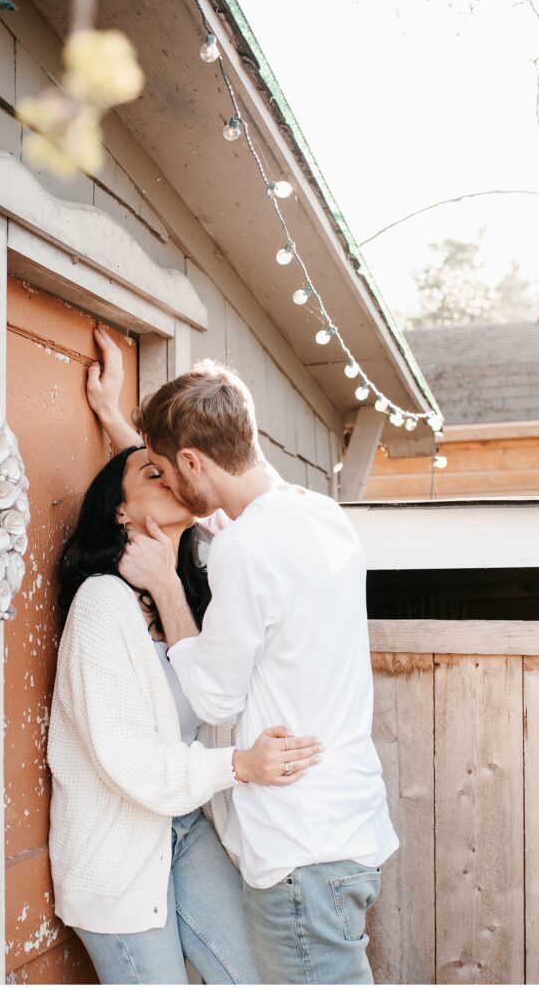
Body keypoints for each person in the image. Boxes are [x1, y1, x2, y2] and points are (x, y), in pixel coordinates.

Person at [89, 328, 400, 985]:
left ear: (194, 464)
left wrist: (169, 590)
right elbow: (217, 511)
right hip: (349, 831)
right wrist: (121, 422)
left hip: (297, 846)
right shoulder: (317, 516)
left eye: (166, 468)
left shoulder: (243, 552)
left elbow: (214, 699)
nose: (166, 482)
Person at [47, 366, 323, 984]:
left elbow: (221, 496)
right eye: (152, 472)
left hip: (186, 829)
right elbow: (128, 760)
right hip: (117, 856)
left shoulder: (189, 596)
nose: (168, 474)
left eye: (169, 465)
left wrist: (121, 421)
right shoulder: (100, 604)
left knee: (255, 976)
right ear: (120, 511)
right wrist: (240, 766)